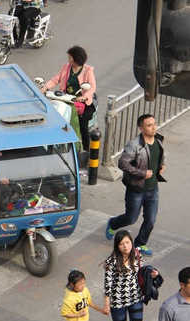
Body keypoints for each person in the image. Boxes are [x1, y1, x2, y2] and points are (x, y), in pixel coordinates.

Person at [105, 114, 166, 256]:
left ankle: (140, 244)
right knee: (131, 218)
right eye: (149, 125)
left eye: (154, 124)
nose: (153, 127)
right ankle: (113, 224)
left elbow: (160, 155)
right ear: (141, 128)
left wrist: (162, 165)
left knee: (151, 220)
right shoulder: (134, 145)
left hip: (153, 188)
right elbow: (122, 163)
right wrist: (142, 173)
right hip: (136, 188)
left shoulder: (159, 140)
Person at [41, 46, 96, 150]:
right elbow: (55, 79)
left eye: (70, 57)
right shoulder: (67, 67)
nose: (68, 59)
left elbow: (92, 87)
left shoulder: (88, 70)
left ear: (76, 59)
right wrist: (45, 88)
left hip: (82, 103)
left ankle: (85, 149)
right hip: (65, 99)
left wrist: (84, 97)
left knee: (82, 126)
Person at [103, 230, 158, 321]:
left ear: (131, 242)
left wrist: (152, 275)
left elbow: (142, 273)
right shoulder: (112, 261)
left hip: (136, 298)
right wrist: (106, 304)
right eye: (121, 244)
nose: (125, 246)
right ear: (117, 246)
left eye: (127, 242)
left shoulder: (137, 255)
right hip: (118, 301)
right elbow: (108, 284)